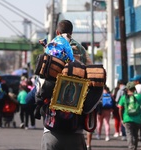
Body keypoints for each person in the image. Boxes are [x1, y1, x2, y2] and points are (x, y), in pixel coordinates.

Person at [37, 19, 93, 150]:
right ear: (71, 33)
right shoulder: (80, 49)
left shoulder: (51, 46)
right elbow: (90, 71)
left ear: (57, 32)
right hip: (76, 129)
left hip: (51, 130)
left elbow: (41, 78)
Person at [118, 82, 141, 150]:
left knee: (129, 134)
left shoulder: (124, 97)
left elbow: (120, 109)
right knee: (135, 135)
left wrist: (121, 119)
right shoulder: (139, 96)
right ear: (134, 89)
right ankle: (135, 147)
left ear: (127, 89)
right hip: (137, 119)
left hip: (127, 118)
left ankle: (131, 148)